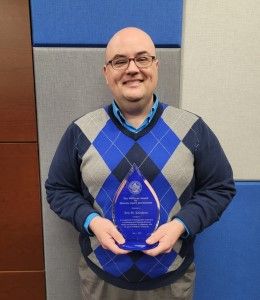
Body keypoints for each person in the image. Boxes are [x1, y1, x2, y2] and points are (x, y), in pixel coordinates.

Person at [45, 27, 236, 300]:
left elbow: (220, 187)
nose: (132, 68)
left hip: (171, 278)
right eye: (120, 61)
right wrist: (92, 222)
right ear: (107, 73)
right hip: (102, 279)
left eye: (143, 58)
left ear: (156, 66)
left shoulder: (192, 129)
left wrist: (181, 224)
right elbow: (58, 189)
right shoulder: (80, 131)